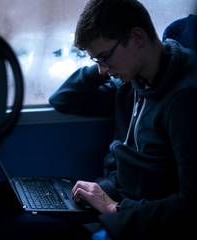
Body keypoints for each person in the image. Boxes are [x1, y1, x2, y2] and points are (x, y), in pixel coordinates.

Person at [50, 0, 197, 239]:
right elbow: (63, 99)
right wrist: (100, 66)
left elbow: (191, 204)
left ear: (137, 38)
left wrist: (112, 208)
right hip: (117, 196)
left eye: (106, 57)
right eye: (98, 61)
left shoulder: (184, 98)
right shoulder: (131, 82)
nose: (105, 70)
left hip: (141, 216)